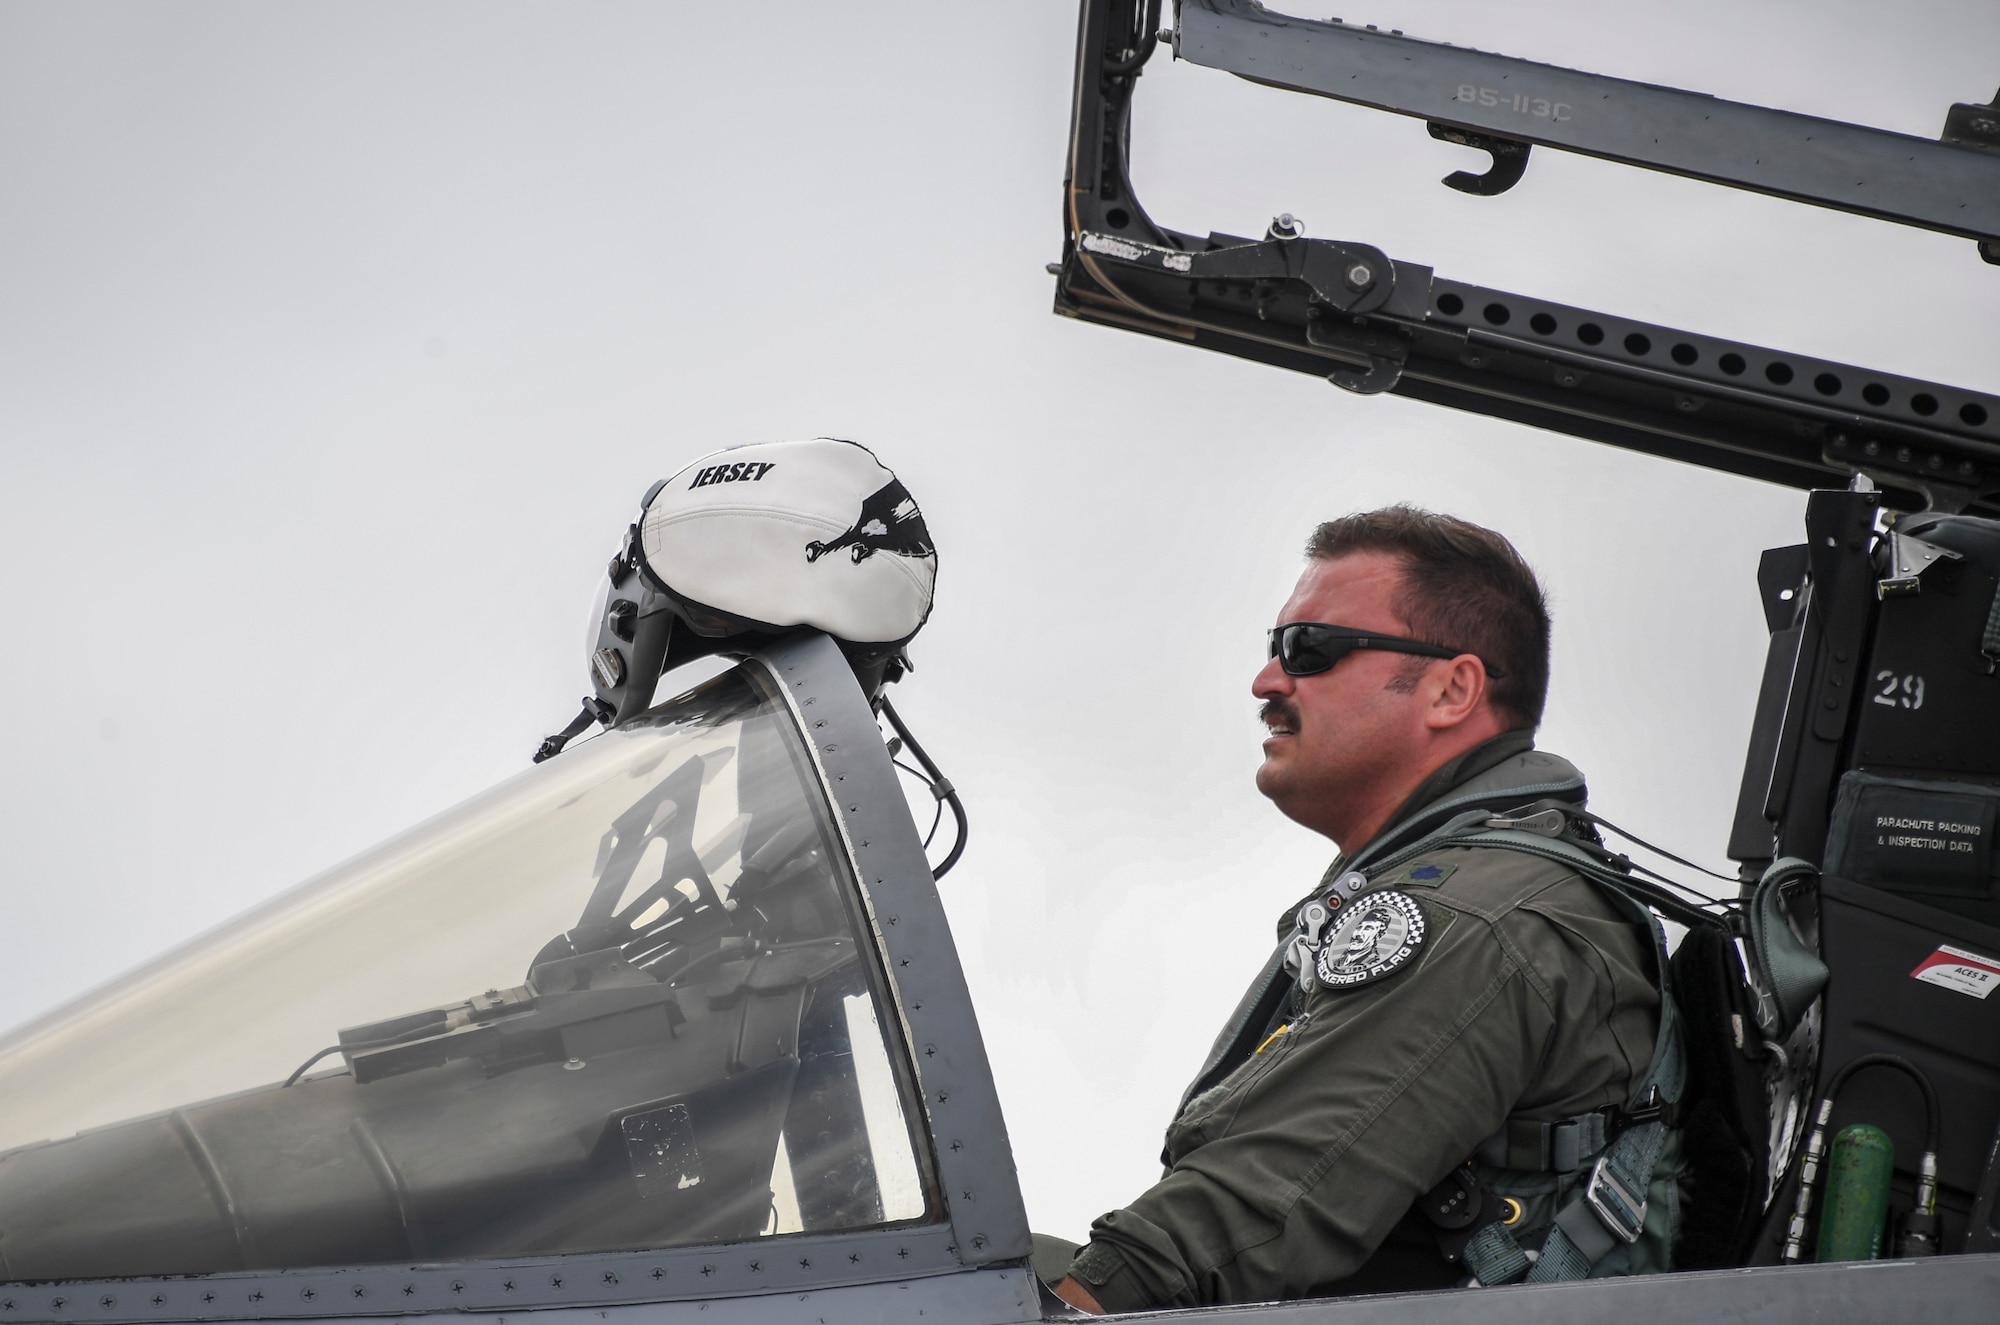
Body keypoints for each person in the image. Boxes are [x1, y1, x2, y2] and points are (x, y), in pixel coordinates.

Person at [1050, 507, 1678, 1312]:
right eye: (1274, 648)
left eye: (1311, 649)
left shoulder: (1477, 917)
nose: (1268, 681)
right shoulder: (1458, 883)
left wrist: (1078, 1304)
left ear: (1452, 689)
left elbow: (1240, 1219)